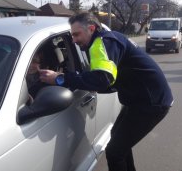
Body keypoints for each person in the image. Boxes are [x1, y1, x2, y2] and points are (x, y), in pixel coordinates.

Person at [39, 12, 174, 171]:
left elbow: (102, 79)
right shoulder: (107, 39)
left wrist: (60, 78)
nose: (74, 40)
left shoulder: (101, 43)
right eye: (72, 35)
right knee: (119, 145)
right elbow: (109, 80)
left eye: (77, 34)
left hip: (150, 103)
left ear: (91, 28)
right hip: (140, 99)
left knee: (115, 152)